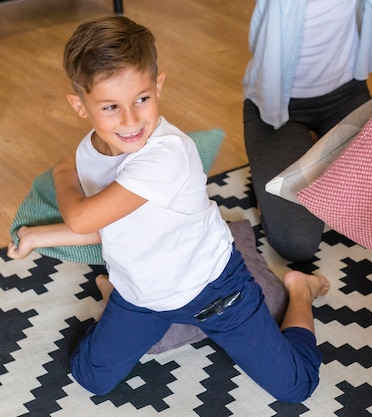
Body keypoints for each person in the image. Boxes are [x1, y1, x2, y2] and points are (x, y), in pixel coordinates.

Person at [20, 15, 330, 401]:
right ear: (80, 106)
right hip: (141, 294)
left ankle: (299, 289)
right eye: (111, 107)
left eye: (142, 99)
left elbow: (83, 216)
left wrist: (63, 171)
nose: (131, 119)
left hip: (213, 291)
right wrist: (35, 236)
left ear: (159, 85)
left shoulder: (166, 154)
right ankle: (116, 292)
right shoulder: (92, 149)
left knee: (296, 386)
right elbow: (109, 224)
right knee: (89, 377)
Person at [242, 0, 372, 261]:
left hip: (346, 95)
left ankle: (313, 153)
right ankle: (303, 154)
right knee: (296, 243)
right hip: (276, 107)